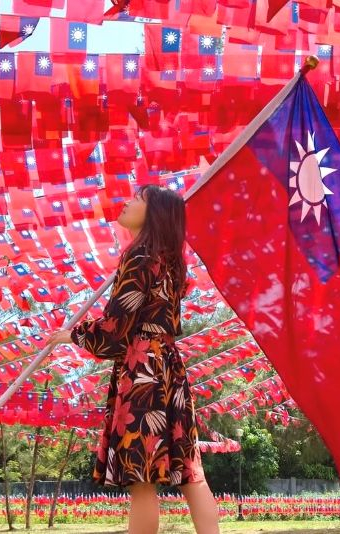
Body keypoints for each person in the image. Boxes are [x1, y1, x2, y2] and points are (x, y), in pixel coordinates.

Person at [46, 185, 221, 534]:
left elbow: (116, 328)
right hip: (170, 367)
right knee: (189, 472)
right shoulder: (169, 262)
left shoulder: (140, 257)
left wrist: (74, 334)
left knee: (142, 479)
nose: (127, 201)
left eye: (138, 198)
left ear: (153, 213)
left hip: (143, 372)